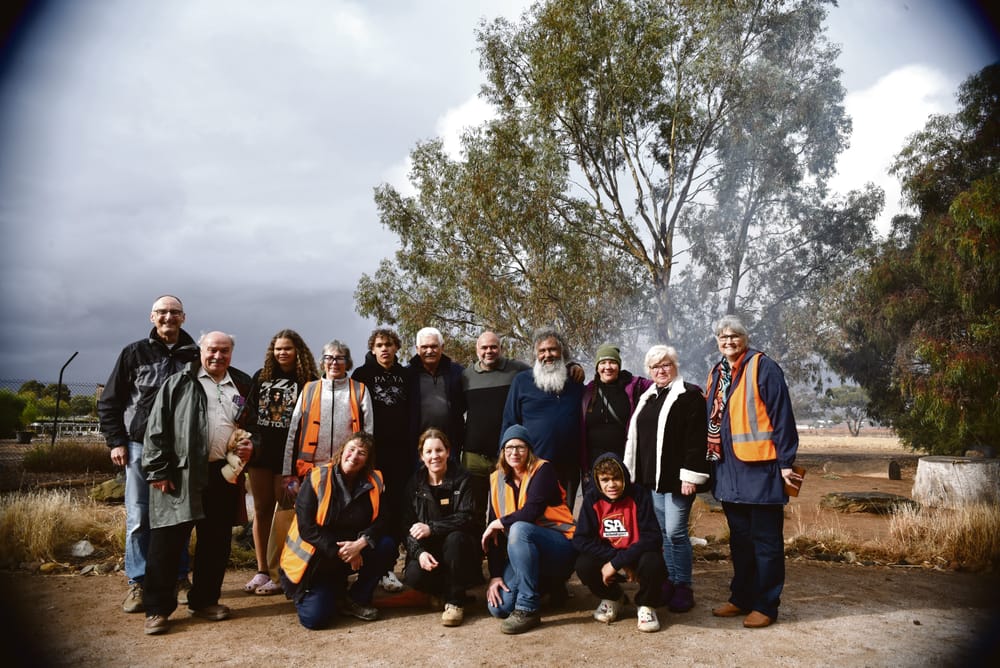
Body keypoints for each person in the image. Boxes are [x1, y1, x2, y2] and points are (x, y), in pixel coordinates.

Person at [140, 331, 252, 635]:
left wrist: (248, 447)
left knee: (216, 543)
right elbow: (156, 427)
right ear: (201, 351)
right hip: (180, 473)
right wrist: (159, 470)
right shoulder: (179, 382)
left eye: (224, 351)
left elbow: (251, 426)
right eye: (212, 350)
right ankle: (158, 609)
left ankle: (204, 601)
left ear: (231, 353)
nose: (218, 356)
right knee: (167, 542)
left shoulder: (241, 385)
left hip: (223, 475)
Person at [97, 295, 198, 613]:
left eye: (175, 312)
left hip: (182, 449)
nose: (169, 317)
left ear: (184, 317)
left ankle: (179, 578)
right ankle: (138, 583)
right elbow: (110, 401)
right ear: (152, 316)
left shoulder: (195, 355)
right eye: (163, 312)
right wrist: (116, 441)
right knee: (140, 517)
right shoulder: (134, 353)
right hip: (140, 445)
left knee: (180, 516)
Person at [705, 315, 800, 629]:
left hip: (761, 472)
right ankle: (741, 598)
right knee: (740, 543)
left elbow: (782, 417)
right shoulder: (716, 373)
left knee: (766, 542)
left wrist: (786, 463)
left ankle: (766, 605)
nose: (728, 341)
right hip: (728, 473)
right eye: (723, 336)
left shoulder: (763, 367)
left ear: (744, 338)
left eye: (734, 335)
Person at [279, 432, 397, 629]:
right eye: (351, 449)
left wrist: (361, 543)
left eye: (362, 453)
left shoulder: (374, 481)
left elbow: (383, 519)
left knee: (386, 545)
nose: (354, 456)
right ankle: (313, 593)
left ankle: (356, 599)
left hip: (352, 550)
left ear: (367, 459)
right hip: (315, 560)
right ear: (342, 451)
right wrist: (342, 552)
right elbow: (307, 528)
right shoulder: (317, 478)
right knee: (315, 620)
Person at [623, 345, 709, 613]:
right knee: (663, 533)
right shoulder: (648, 396)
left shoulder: (689, 396)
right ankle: (669, 581)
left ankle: (683, 585)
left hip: (678, 479)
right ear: (649, 371)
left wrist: (690, 475)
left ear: (675, 366)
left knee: (676, 532)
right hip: (653, 478)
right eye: (655, 366)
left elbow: (696, 440)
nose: (661, 370)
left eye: (666, 364)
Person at [241, 330, 319, 596]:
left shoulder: (309, 381)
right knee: (262, 510)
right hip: (262, 455)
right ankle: (262, 570)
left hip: (290, 457)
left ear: (298, 351)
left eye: (287, 348)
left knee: (286, 513)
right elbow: (247, 410)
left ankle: (282, 571)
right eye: (277, 349)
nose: (282, 353)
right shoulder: (261, 378)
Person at [482, 425, 577, 635]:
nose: (514, 453)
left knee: (519, 529)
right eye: (508, 448)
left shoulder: (543, 470)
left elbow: (531, 512)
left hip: (560, 547)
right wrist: (495, 576)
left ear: (529, 450)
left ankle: (528, 608)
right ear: (502, 452)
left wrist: (498, 523)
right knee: (499, 608)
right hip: (526, 555)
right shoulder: (496, 480)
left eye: (520, 447)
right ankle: (547, 586)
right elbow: (495, 539)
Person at [573, 452, 667, 632]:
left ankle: (646, 605)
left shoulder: (639, 494)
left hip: (637, 553)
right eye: (605, 479)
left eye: (616, 478)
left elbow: (653, 537)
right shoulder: (592, 498)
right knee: (583, 564)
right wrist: (617, 562)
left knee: (653, 562)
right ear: (598, 481)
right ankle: (613, 597)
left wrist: (619, 562)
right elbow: (580, 540)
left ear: (624, 476)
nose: (611, 484)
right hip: (609, 556)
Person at [401, 428, 483, 627]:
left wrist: (432, 528)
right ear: (421, 456)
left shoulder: (463, 479)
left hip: (461, 553)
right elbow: (406, 527)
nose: (434, 456)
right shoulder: (414, 484)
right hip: (430, 552)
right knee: (413, 575)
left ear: (448, 451)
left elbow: (468, 517)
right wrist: (419, 552)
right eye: (428, 452)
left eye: (439, 450)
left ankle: (455, 602)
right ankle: (441, 593)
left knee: (455, 539)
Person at [352, 327, 411, 593]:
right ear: (372, 349)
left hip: (404, 455)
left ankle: (391, 567)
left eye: (389, 344)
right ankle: (373, 566)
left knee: (398, 508)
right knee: (374, 509)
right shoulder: (362, 376)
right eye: (379, 345)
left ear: (397, 347)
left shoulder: (407, 376)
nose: (384, 349)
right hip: (373, 455)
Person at [501, 327, 584, 510]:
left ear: (562, 352)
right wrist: (507, 462)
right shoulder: (522, 382)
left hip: (568, 468)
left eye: (553, 349)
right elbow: (510, 422)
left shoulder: (575, 383)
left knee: (564, 518)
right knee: (532, 514)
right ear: (536, 355)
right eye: (542, 351)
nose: (548, 354)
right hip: (532, 466)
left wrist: (574, 365)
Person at [461, 331, 530, 522]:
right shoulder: (465, 376)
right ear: (477, 350)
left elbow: (544, 371)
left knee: (503, 509)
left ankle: (498, 552)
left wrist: (572, 366)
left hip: (505, 456)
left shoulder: (517, 370)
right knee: (473, 510)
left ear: (500, 348)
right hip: (473, 457)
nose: (488, 351)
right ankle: (474, 551)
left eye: (493, 347)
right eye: (484, 347)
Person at [282, 340, 372, 482]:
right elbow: (293, 432)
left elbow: (368, 434)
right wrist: (287, 472)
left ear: (347, 363)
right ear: (323, 362)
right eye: (329, 358)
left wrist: (367, 469)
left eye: (340, 358)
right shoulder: (309, 389)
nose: (334, 362)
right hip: (311, 470)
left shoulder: (359, 390)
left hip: (348, 469)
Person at [580, 344, 651, 494]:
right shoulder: (588, 391)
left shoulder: (634, 385)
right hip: (594, 461)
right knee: (595, 505)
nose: (608, 367)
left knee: (625, 502)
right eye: (603, 363)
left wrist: (692, 390)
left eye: (612, 362)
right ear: (597, 367)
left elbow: (662, 382)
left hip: (624, 459)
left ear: (619, 365)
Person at [407, 327, 465, 453]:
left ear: (442, 347)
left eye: (434, 346)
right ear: (417, 349)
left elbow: (465, 403)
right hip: (417, 446)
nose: (429, 351)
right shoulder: (407, 375)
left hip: (451, 444)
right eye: (424, 347)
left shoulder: (457, 372)